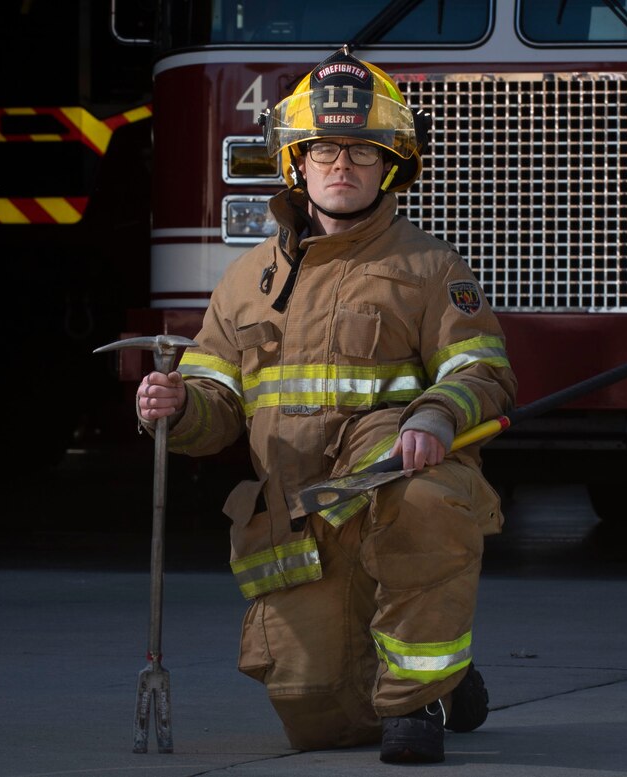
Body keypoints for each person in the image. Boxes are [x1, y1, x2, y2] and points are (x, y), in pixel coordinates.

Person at [135, 48, 517, 764]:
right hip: (298, 518)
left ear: (393, 165)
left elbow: (481, 369)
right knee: (322, 725)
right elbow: (216, 403)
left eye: (364, 152)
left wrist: (435, 418)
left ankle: (419, 698)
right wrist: (176, 404)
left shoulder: (430, 266)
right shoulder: (248, 278)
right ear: (297, 162)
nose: (343, 166)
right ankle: (452, 682)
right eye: (326, 149)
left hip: (393, 485)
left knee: (426, 500)